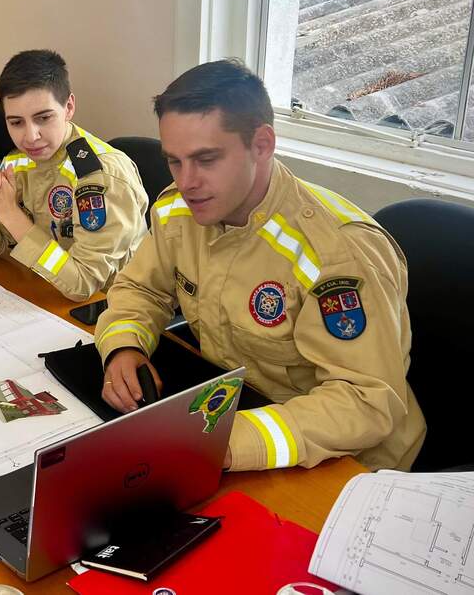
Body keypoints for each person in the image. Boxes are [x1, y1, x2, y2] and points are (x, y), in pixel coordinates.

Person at [95, 59, 425, 472]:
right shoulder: (182, 210)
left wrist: (227, 442)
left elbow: (366, 402)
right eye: (175, 161)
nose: (186, 181)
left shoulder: (336, 253)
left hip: (349, 463)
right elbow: (142, 289)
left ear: (262, 144)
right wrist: (124, 346)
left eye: (206, 159)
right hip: (239, 418)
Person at [0, 50, 149, 302]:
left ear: (69, 107)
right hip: (42, 290)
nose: (30, 136)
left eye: (43, 118)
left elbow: (82, 285)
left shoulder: (101, 176)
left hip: (108, 309)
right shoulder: (17, 161)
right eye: (16, 122)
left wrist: (9, 214)